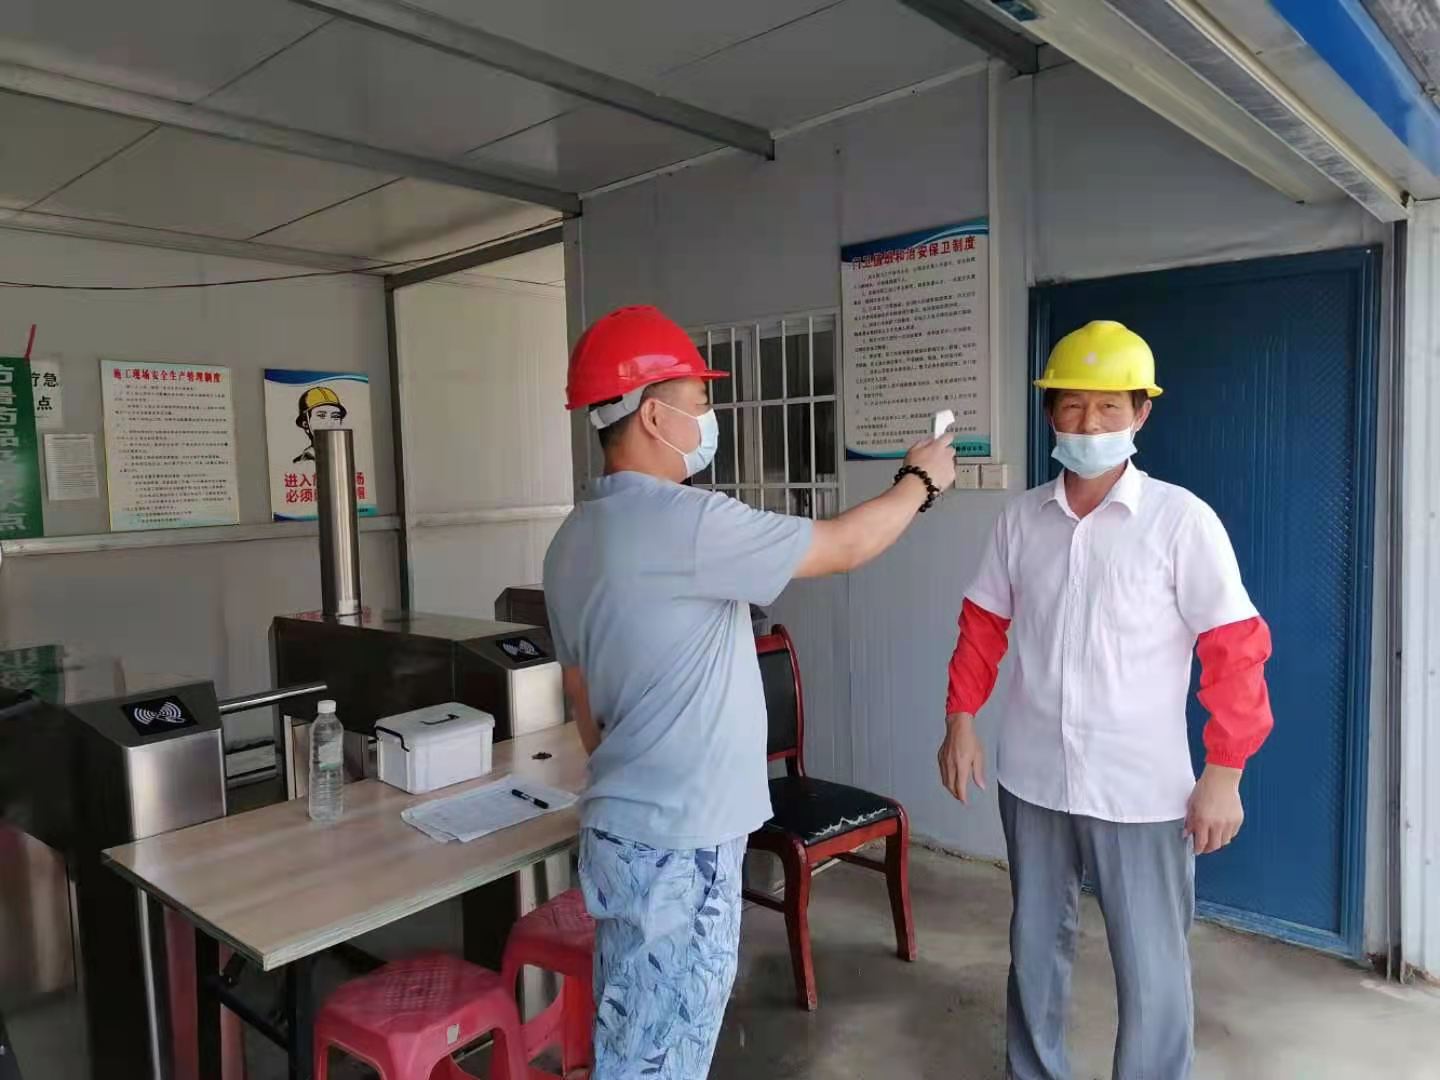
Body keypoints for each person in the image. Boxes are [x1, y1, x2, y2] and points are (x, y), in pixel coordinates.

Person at [544, 305, 957, 1080]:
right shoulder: (688, 522)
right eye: (701, 402)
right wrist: (921, 481)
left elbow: (583, 704)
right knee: (663, 1054)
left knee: (635, 1030)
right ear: (653, 416)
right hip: (683, 838)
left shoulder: (572, 538)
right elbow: (844, 546)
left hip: (623, 830)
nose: (711, 419)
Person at [936, 321, 1275, 1080]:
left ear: (1140, 414)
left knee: (1152, 966)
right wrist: (960, 721)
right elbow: (982, 627)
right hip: (1033, 777)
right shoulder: (1020, 521)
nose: (1089, 424)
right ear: (1050, 412)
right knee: (1034, 948)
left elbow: (1236, 650)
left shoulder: (1180, 522)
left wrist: (1225, 772)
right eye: (1072, 406)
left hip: (1140, 788)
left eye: (1109, 407)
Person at [293, 385, 347, 462]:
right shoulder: (302, 463)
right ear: (306, 425)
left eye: (335, 416)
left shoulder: (345, 456)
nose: (329, 422)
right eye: (321, 416)